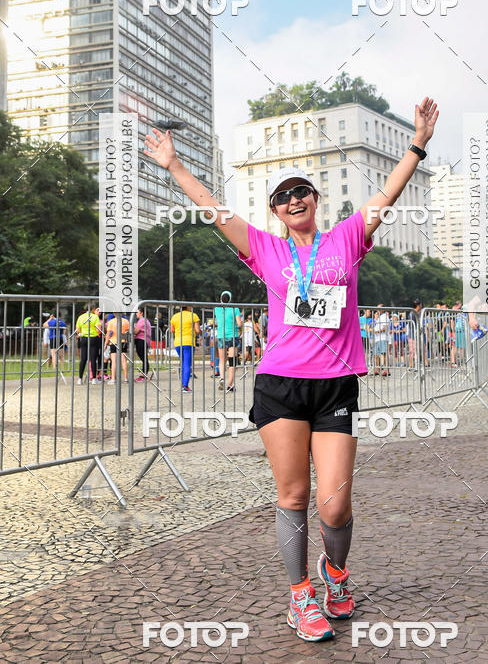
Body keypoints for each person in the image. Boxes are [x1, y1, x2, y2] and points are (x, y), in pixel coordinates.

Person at [145, 97, 438, 642]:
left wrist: (417, 142)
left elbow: (388, 193)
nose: (294, 198)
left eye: (302, 191)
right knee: (293, 496)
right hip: (279, 384)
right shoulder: (261, 248)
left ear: (315, 200)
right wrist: (174, 166)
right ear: (276, 212)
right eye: (283, 196)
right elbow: (212, 208)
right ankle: (300, 595)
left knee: (336, 500)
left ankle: (337, 573)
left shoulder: (348, 238)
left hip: (334, 386)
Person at [214, 291, 243, 391]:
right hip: (232, 336)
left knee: (222, 360)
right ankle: (230, 384)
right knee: (232, 361)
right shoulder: (235, 309)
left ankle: (222, 378)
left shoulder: (217, 309)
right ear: (230, 299)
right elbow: (239, 324)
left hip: (221, 335)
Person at [170, 306, 200, 392]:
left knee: (183, 363)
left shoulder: (175, 316)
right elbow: (197, 330)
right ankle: (185, 385)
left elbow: (172, 330)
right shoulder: (193, 315)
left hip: (178, 342)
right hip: (188, 342)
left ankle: (183, 384)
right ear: (188, 307)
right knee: (187, 363)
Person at [75, 303, 102, 384]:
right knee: (93, 358)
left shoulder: (81, 317)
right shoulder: (95, 317)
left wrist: (83, 332)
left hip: (84, 338)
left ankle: (80, 379)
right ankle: (94, 379)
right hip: (93, 338)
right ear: (93, 309)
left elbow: (77, 330)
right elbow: (98, 329)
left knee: (83, 358)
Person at [104, 314, 130, 384]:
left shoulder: (111, 322)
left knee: (114, 361)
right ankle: (126, 378)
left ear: (114, 313)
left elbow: (108, 334)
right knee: (124, 361)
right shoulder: (126, 321)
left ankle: (113, 379)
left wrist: (105, 343)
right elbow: (128, 332)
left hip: (113, 342)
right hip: (123, 342)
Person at [134, 308, 152, 381]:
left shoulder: (142, 321)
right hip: (143, 340)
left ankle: (144, 375)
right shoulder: (144, 320)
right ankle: (143, 374)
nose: (136, 314)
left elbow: (136, 331)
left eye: (137, 312)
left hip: (142, 340)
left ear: (141, 313)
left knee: (143, 357)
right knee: (143, 357)